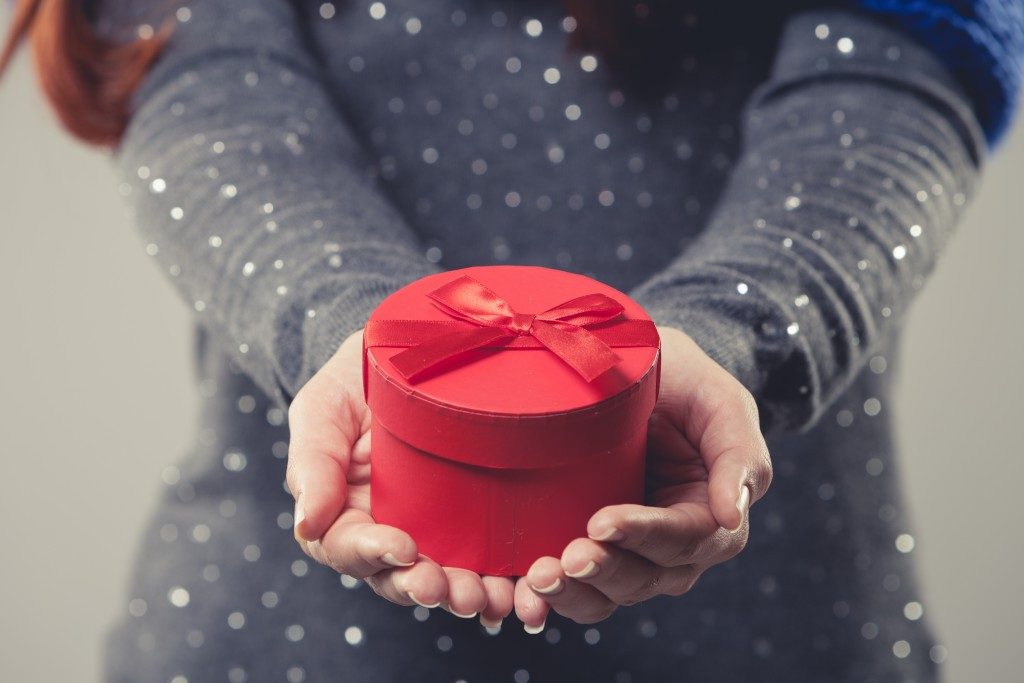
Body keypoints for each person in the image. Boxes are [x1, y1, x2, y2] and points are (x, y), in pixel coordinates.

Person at [3, 1, 1021, 681]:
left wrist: (735, 326)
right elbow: (200, 68)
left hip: (759, 609)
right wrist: (347, 323)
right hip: (288, 635)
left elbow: (900, 60)